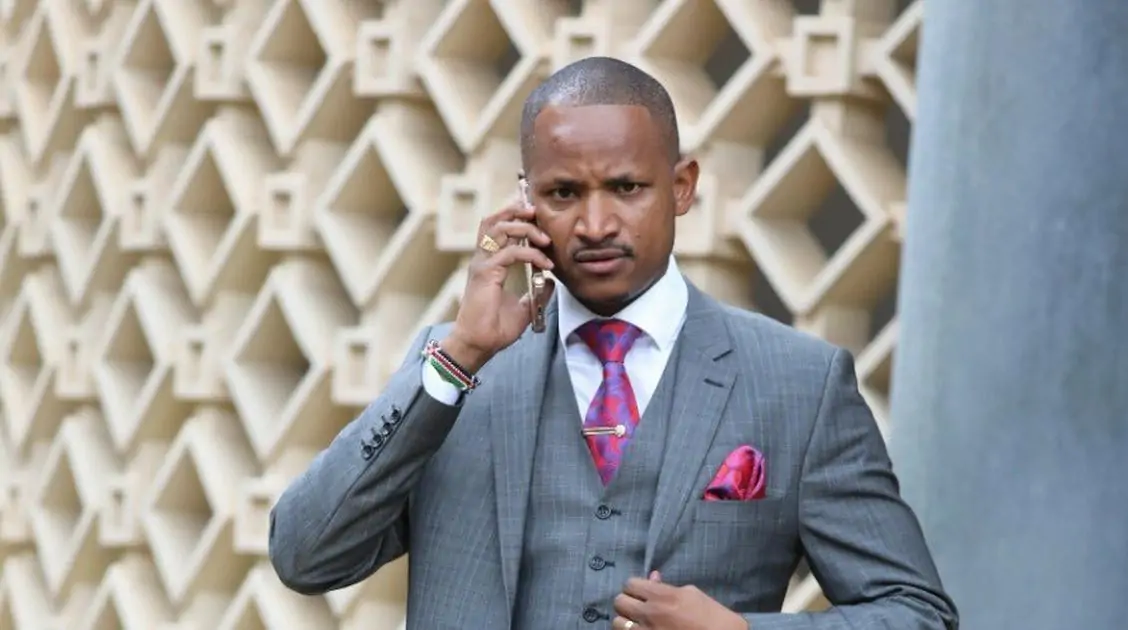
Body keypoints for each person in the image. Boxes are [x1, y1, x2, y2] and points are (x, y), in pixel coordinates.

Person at [268, 56, 957, 630]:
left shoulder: (800, 384)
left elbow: (916, 613)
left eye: (626, 188)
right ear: (525, 200)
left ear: (681, 187)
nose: (595, 223)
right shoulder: (454, 375)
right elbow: (306, 557)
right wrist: (457, 357)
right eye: (564, 193)